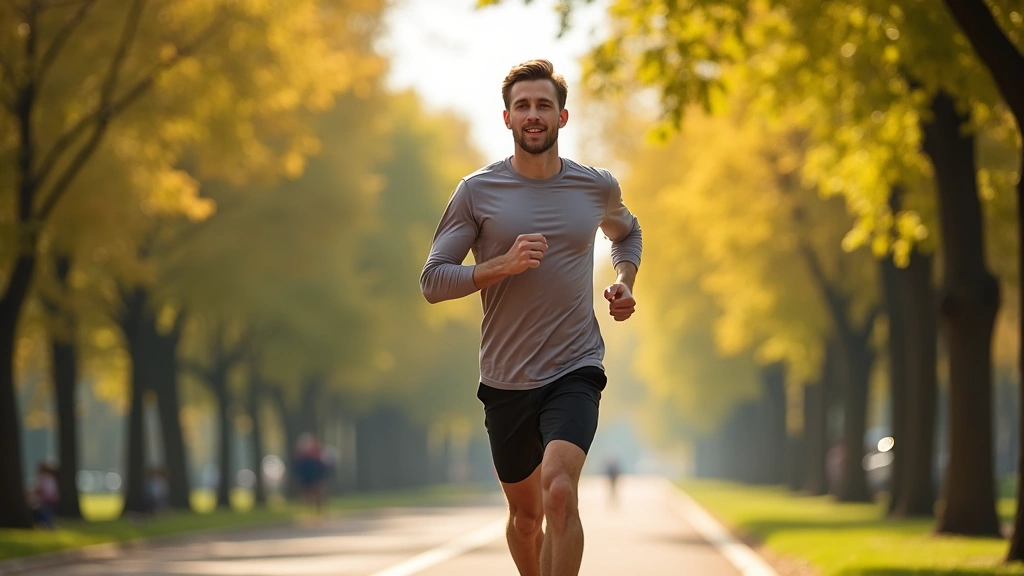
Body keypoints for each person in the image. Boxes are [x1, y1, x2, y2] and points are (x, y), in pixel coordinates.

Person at [420, 59, 642, 576]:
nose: (534, 115)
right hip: (506, 376)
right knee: (525, 518)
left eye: (544, 105)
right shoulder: (476, 192)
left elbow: (626, 232)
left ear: (563, 117)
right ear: (507, 119)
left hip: (575, 365)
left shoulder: (595, 187)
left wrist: (624, 283)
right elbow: (433, 281)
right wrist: (499, 265)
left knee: (560, 491)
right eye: (523, 106)